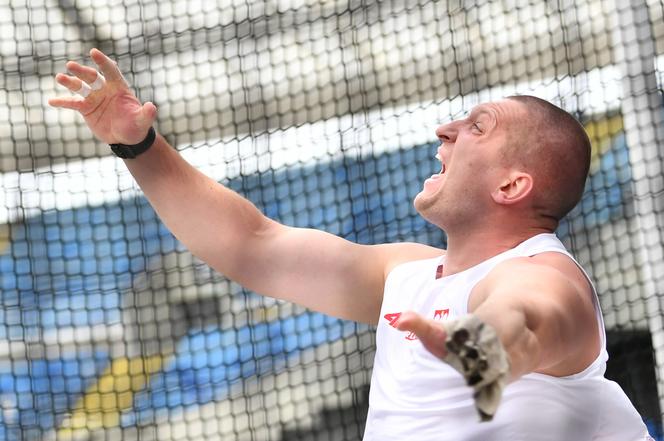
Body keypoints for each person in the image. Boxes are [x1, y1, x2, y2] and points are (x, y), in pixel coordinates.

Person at [49, 48, 653, 440]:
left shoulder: (544, 273)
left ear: (513, 184)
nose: (446, 128)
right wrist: (138, 146)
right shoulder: (408, 274)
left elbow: (527, 318)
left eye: (476, 127)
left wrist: (481, 347)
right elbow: (252, 245)